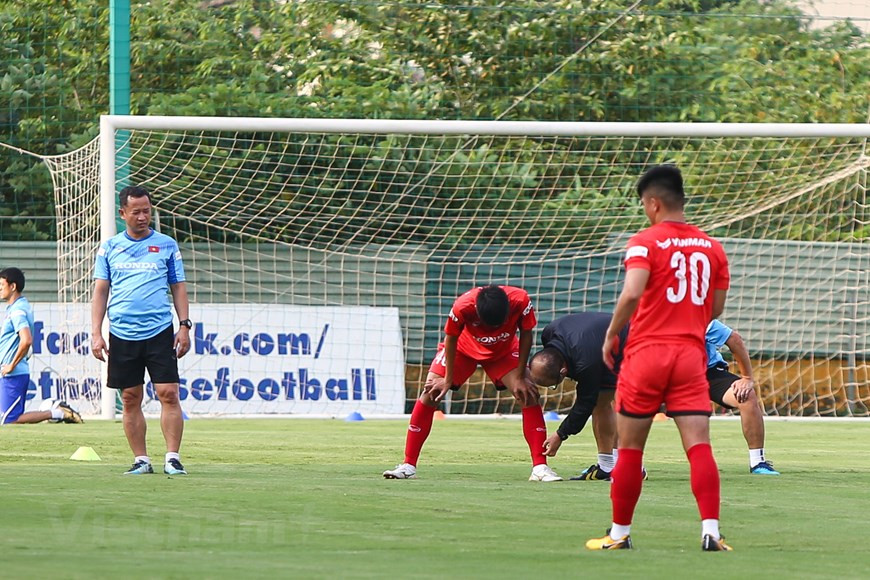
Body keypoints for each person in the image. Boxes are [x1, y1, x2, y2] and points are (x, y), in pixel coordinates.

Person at [585, 165, 732, 552]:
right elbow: (716, 308)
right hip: (690, 355)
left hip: (646, 353)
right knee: (699, 445)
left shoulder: (644, 241)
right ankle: (711, 532)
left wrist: (612, 332)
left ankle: (619, 534)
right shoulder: (713, 248)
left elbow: (633, 292)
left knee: (631, 448)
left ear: (653, 203)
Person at [531, 315, 778, 479]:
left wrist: (747, 377)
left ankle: (758, 462)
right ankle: (619, 466)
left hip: (706, 373)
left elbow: (734, 339)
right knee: (623, 405)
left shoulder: (695, 317)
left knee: (746, 396)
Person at [383, 284, 562, 482]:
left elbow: (526, 334)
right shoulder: (462, 306)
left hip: (502, 352)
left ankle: (540, 467)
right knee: (431, 391)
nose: (493, 330)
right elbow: (451, 338)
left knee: (527, 392)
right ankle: (408, 465)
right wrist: (447, 379)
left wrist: (520, 375)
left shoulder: (521, 300)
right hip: (462, 349)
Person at [91, 185, 192, 476]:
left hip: (160, 330)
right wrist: (96, 333)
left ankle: (172, 458)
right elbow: (101, 291)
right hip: (122, 333)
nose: (142, 217)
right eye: (136, 212)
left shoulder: (166, 244)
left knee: (168, 393)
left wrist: (184, 325)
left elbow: (178, 286)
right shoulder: (109, 247)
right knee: (130, 397)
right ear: (123, 213)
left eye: (146, 211)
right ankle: (141, 460)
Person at [528, 312, 628, 480]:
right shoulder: (549, 334)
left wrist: (560, 434)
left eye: (553, 385)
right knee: (601, 403)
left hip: (633, 343)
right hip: (603, 343)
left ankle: (629, 466)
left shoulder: (586, 364)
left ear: (563, 372)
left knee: (621, 402)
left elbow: (584, 404)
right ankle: (606, 466)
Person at [1, 267, 82, 425]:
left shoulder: (17, 311)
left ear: (13, 286)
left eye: (1, 285)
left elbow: (26, 340)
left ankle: (59, 412)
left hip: (13, 374)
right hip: (10, 372)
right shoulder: (16, 307)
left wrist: (11, 365)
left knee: (9, 420)